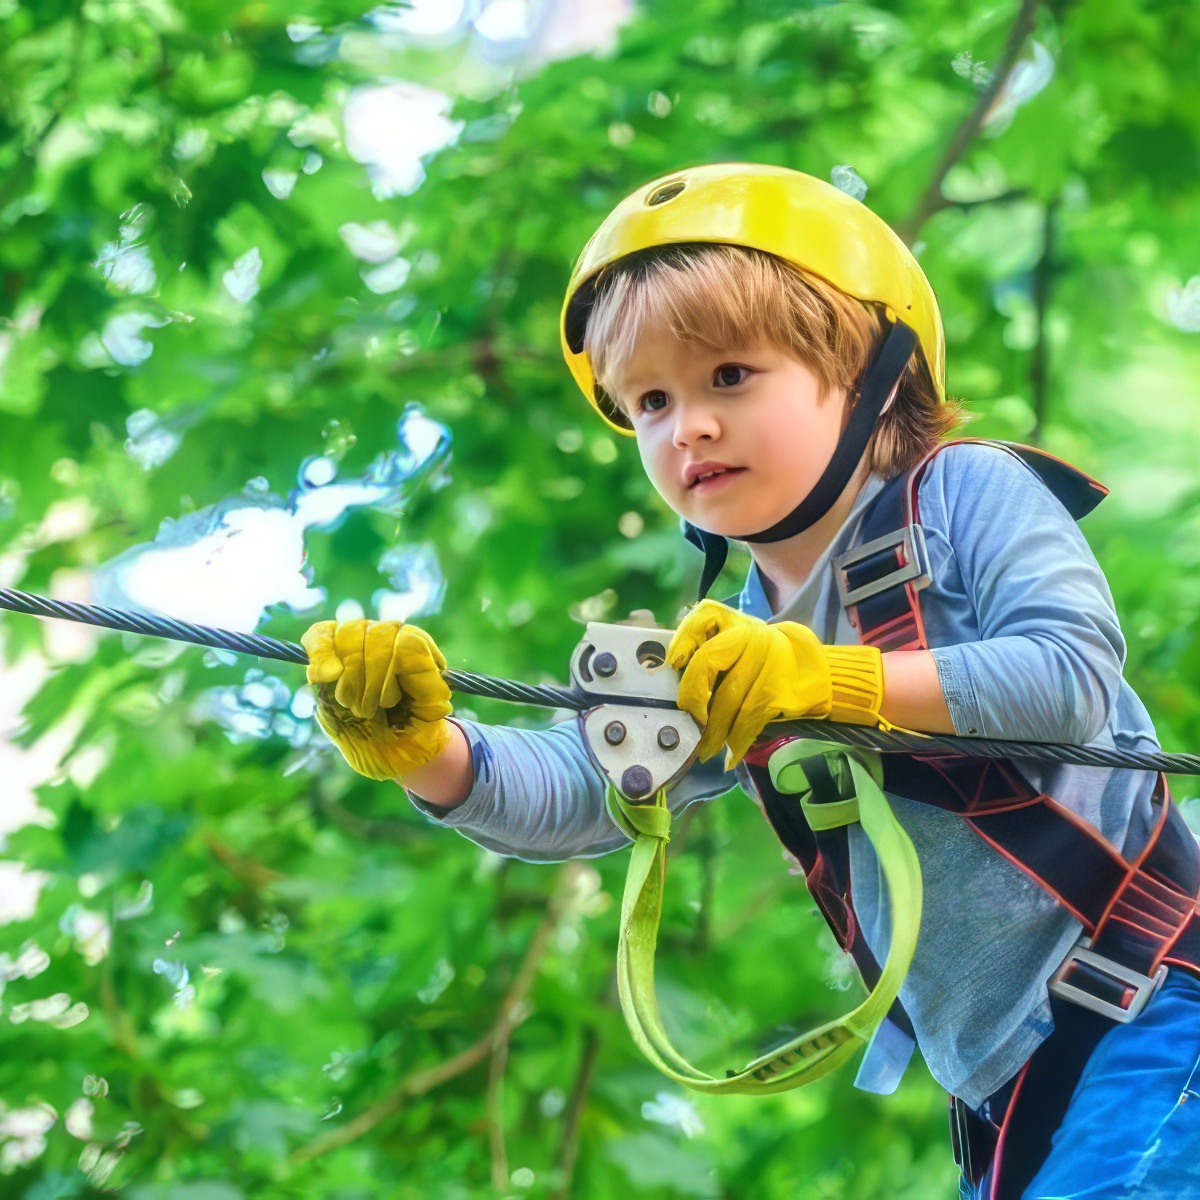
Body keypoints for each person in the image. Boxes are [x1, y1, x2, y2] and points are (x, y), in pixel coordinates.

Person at [300, 165, 1200, 1199]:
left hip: (1162, 998)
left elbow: (1067, 678)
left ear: (872, 374)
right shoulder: (732, 647)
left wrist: (827, 680)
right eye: (650, 400)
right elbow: (591, 789)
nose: (687, 426)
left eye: (729, 375)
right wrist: (430, 753)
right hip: (1013, 1089)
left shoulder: (964, 497)